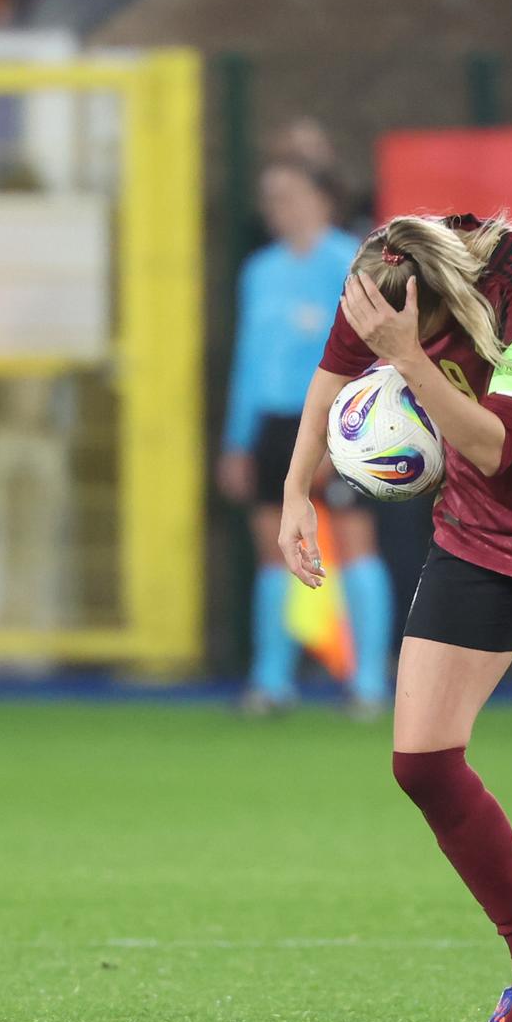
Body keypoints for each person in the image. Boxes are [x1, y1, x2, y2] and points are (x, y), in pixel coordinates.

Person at [278, 211, 512, 1022]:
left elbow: (498, 445)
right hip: (472, 535)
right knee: (422, 764)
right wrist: (296, 493)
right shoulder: (384, 273)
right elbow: (329, 380)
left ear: (441, 305)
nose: (378, 337)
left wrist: (406, 359)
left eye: (407, 332)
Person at [218, 160, 393, 716]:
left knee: (355, 541)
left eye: (289, 195)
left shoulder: (349, 262)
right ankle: (271, 682)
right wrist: (237, 441)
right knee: (274, 548)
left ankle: (369, 683)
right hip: (273, 424)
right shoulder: (259, 271)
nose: (278, 208)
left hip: (334, 421)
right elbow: (248, 360)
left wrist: (344, 434)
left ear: (322, 200)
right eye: (271, 198)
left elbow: (371, 353)